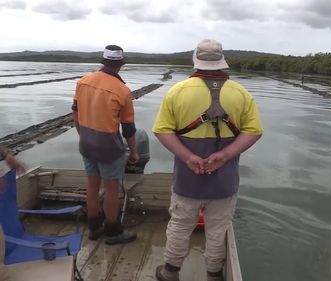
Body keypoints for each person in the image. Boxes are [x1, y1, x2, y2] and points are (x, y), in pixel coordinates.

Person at [153, 39, 263, 281]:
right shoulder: (241, 93)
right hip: (224, 181)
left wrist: (188, 157)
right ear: (222, 61)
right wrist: (224, 155)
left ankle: (170, 272)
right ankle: (214, 275)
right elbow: (254, 131)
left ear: (196, 59)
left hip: (187, 178)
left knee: (180, 225)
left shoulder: (177, 91)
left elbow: (162, 130)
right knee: (218, 230)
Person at [72, 45, 138, 245]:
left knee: (92, 186)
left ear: (103, 62)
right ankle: (113, 232)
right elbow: (128, 128)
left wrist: (83, 135)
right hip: (109, 148)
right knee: (111, 190)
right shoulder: (122, 90)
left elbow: (75, 113)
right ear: (120, 64)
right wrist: (134, 152)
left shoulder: (83, 81)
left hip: (86, 144)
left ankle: (93, 228)